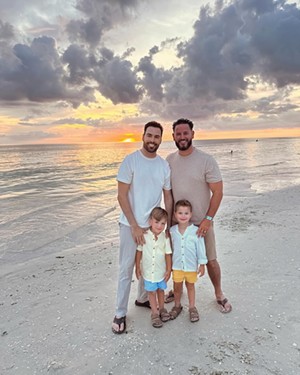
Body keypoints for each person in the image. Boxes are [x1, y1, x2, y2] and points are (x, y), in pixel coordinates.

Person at [112, 121, 173, 334]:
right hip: (130, 225)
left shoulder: (163, 165)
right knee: (127, 268)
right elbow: (121, 195)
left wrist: (167, 225)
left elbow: (167, 195)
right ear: (143, 136)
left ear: (160, 139)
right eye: (149, 136)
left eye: (157, 137)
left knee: (149, 265)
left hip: (153, 227)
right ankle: (120, 313)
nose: (152, 140)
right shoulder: (131, 161)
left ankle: (143, 298)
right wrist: (135, 226)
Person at [165, 118, 232, 313]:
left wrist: (208, 219)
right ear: (173, 137)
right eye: (178, 134)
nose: (182, 137)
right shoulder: (169, 160)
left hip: (202, 223)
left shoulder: (206, 160)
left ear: (193, 134)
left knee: (210, 259)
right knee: (176, 258)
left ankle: (218, 293)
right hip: (177, 223)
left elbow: (218, 192)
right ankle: (176, 290)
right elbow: (167, 192)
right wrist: (168, 220)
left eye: (186, 133)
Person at [169, 199, 207, 322]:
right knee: (177, 287)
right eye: (180, 213)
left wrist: (202, 263)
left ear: (191, 214)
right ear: (175, 214)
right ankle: (177, 305)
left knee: (190, 286)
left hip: (191, 266)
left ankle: (192, 307)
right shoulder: (172, 231)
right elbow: (169, 248)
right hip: (177, 265)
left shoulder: (196, 231)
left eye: (186, 213)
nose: (183, 216)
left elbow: (201, 248)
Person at [135, 207, 172, 328]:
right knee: (151, 292)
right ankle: (154, 313)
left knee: (161, 291)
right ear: (150, 221)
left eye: (163, 223)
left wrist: (169, 269)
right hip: (148, 272)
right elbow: (139, 251)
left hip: (160, 271)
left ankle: (162, 309)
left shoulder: (165, 237)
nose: (160, 226)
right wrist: (138, 267)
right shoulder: (144, 235)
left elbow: (168, 254)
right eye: (157, 222)